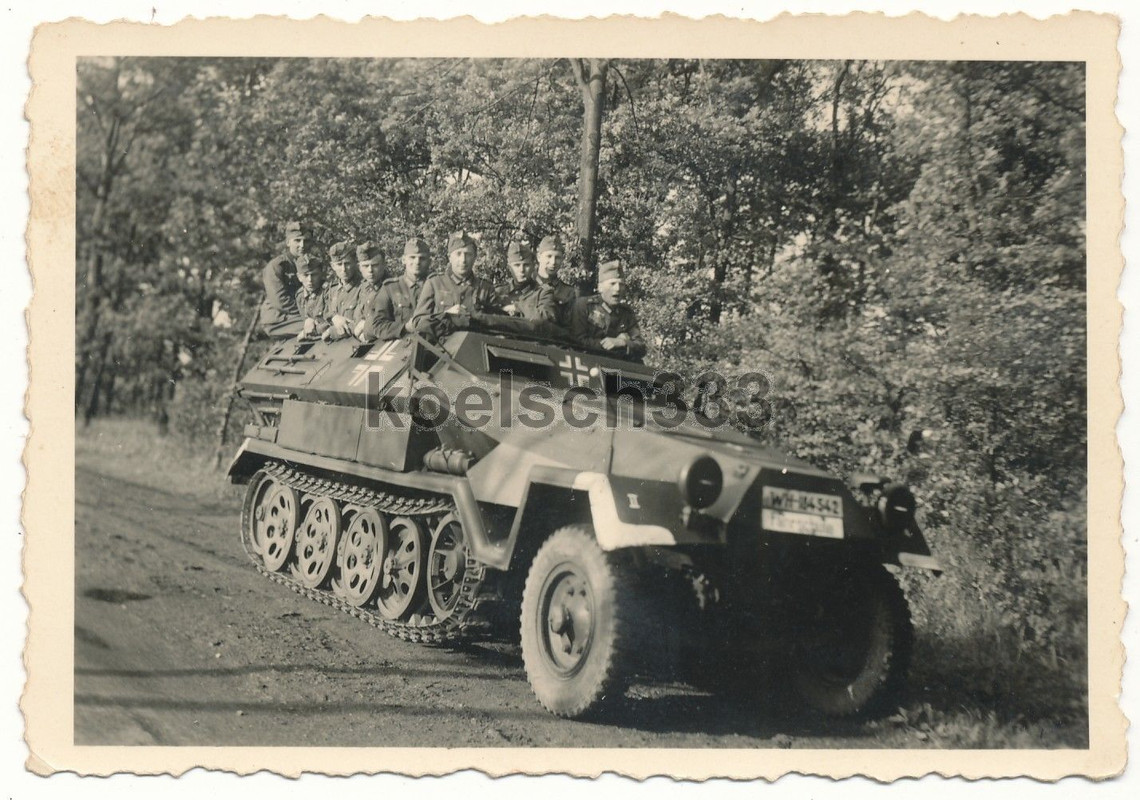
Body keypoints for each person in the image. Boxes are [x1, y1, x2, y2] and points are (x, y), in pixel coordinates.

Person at [410, 232, 500, 338]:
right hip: (440, 347)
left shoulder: (486, 288)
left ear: (475, 257)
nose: (463, 260)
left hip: (475, 346)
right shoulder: (434, 284)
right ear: (450, 257)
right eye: (458, 254)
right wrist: (446, 317)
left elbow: (498, 325)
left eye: (468, 254)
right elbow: (418, 323)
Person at [570, 259, 646, 360]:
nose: (618, 289)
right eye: (612, 283)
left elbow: (641, 347)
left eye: (621, 284)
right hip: (586, 362)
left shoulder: (626, 313)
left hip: (617, 366)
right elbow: (576, 341)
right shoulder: (583, 305)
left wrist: (623, 342)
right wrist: (611, 344)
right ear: (600, 287)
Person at [358, 237, 432, 342]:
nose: (417, 262)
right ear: (403, 260)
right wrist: (405, 328)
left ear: (429, 261)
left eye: (422, 258)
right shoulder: (391, 288)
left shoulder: (438, 285)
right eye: (412, 257)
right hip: (403, 347)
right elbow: (378, 325)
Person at [258, 220, 306, 333]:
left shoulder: (305, 264)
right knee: (316, 327)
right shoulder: (277, 266)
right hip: (278, 319)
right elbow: (281, 301)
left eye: (306, 241)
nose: (302, 245)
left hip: (294, 316)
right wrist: (306, 314)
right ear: (288, 242)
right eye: (297, 240)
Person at [496, 240, 556, 322]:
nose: (521, 270)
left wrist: (517, 307)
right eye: (517, 265)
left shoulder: (543, 293)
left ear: (533, 266)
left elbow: (545, 318)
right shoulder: (498, 292)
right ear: (510, 268)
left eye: (526, 265)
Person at [535, 234, 579, 327]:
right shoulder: (525, 285)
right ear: (539, 257)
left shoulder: (568, 292)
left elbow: (570, 327)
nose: (553, 262)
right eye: (549, 256)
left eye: (557, 257)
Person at [324, 240, 363, 340]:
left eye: (347, 263)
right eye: (339, 264)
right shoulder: (332, 290)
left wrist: (331, 331)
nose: (344, 269)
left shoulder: (363, 287)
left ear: (355, 262)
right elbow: (325, 316)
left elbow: (360, 324)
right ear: (333, 266)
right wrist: (334, 318)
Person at [351, 241, 387, 340]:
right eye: (365, 266)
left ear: (383, 264)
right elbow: (354, 320)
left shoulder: (393, 287)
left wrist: (366, 327)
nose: (370, 270)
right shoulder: (362, 288)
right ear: (359, 268)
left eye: (375, 265)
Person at [294, 255, 333, 338]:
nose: (310, 280)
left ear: (321, 274)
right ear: (299, 277)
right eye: (305, 275)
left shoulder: (329, 290)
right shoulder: (300, 295)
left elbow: (332, 321)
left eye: (314, 275)